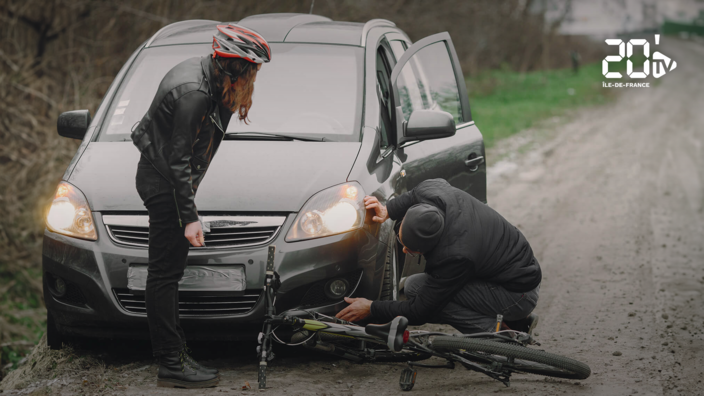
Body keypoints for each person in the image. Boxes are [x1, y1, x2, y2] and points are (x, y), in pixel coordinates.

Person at [131, 24, 271, 388]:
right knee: (164, 275)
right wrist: (189, 218)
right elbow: (178, 160)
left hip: (168, 179)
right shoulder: (193, 92)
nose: (254, 77)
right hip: (165, 184)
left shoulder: (209, 77)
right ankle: (171, 364)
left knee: (169, 274)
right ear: (233, 66)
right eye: (251, 70)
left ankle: (175, 352)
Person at [336, 178, 542, 336]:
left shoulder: (456, 256)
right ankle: (515, 323)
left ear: (433, 245)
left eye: (411, 249)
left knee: (427, 294)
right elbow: (413, 195)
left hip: (518, 294)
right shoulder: (434, 192)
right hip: (508, 272)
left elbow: (421, 311)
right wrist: (387, 209)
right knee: (414, 285)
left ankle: (499, 336)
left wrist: (372, 308)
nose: (405, 251)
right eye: (402, 243)